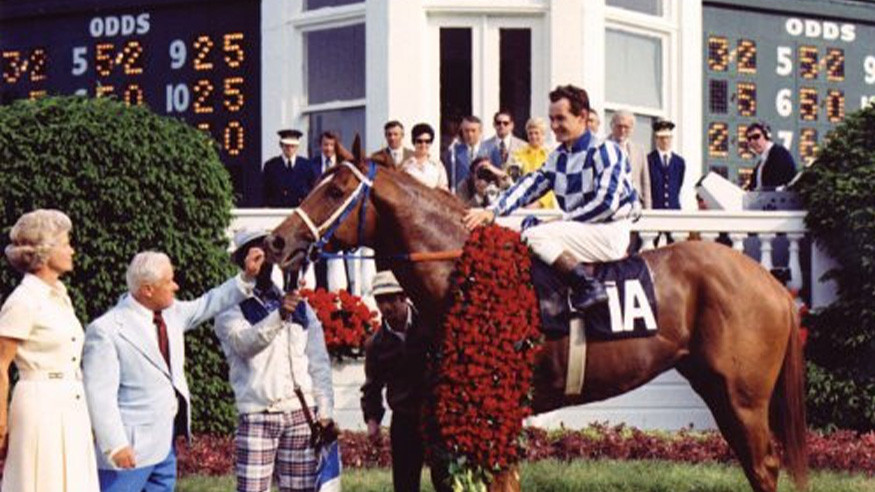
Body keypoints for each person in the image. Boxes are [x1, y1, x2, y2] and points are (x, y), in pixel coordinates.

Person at [82, 249, 262, 491]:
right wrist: (115, 445)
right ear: (147, 289)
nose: (175, 286)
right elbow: (99, 395)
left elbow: (209, 303)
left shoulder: (172, 313)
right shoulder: (106, 330)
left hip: (165, 446)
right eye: (168, 282)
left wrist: (247, 276)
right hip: (128, 452)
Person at [464, 84, 641, 311]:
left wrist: (560, 221)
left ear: (582, 117)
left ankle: (589, 286)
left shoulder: (607, 150)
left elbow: (606, 204)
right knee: (497, 226)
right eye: (551, 119)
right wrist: (492, 211)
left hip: (609, 231)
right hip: (579, 228)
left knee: (534, 235)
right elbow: (529, 185)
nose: (554, 126)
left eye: (561, 119)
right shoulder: (558, 156)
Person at [215, 229, 335, 492]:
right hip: (258, 414)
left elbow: (318, 362)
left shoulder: (299, 305)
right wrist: (279, 315)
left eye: (269, 251)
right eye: (256, 252)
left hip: (300, 414)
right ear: (241, 261)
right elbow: (244, 344)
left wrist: (325, 410)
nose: (264, 259)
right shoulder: (230, 306)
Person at [0, 209, 99, 492]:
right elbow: (1, 364)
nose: (72, 250)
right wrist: (1, 423)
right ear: (45, 250)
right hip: (39, 407)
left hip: (71, 404)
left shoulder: (60, 296)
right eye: (66, 243)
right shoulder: (23, 300)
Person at [360, 271, 447, 492]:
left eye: (391, 298)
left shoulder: (431, 327)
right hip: (405, 419)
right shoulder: (376, 345)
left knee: (447, 481)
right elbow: (372, 387)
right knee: (405, 485)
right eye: (380, 300)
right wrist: (372, 421)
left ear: (403, 296)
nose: (386, 306)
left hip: (437, 417)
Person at [263, 129, 319, 207]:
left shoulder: (307, 166)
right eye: (286, 146)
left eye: (292, 146)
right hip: (276, 211)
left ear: (297, 147)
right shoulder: (271, 166)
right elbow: (264, 191)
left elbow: (313, 190)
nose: (289, 149)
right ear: (281, 145)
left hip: (299, 211)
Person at [509, 116, 556, 209]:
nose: (533, 136)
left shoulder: (551, 155)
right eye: (530, 133)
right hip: (523, 205)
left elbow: (554, 184)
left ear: (543, 134)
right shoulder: (518, 154)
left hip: (546, 207)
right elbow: (513, 180)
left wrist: (539, 203)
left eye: (536, 133)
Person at [608, 111, 652, 209]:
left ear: (632, 129)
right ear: (612, 126)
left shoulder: (639, 150)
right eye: (619, 126)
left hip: (634, 205)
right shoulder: (601, 147)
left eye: (626, 127)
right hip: (610, 204)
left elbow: (645, 183)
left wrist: (648, 209)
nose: (622, 130)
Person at [745, 122, 797, 191]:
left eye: (756, 137)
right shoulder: (760, 164)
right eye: (749, 139)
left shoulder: (780, 153)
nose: (752, 142)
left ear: (766, 136)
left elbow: (785, 184)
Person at [442, 115, 490, 191]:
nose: (470, 134)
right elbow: (448, 178)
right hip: (460, 198)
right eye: (466, 130)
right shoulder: (453, 152)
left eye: (473, 130)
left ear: (480, 131)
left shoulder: (491, 150)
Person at [647, 119, 685, 210]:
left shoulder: (679, 162)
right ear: (656, 139)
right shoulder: (649, 160)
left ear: (671, 138)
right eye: (661, 138)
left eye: (667, 137)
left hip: (674, 210)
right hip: (655, 210)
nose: (665, 141)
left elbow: (678, 185)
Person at [401, 123, 449, 191]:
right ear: (414, 142)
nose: (423, 144)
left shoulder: (437, 165)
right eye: (419, 141)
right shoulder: (406, 166)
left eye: (427, 141)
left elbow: (443, 189)